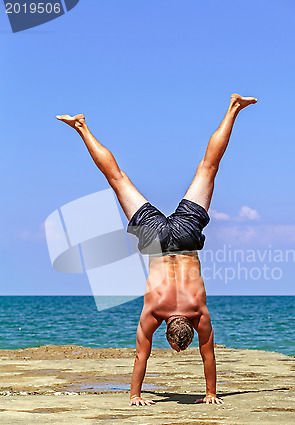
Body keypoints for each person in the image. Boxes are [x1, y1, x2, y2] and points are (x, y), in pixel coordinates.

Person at [56, 93, 257, 406]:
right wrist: (135, 395)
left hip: (187, 239)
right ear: (168, 331)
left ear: (188, 326)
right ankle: (81, 127)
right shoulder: (155, 312)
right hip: (156, 243)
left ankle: (234, 107)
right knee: (117, 179)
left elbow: (208, 354)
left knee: (208, 168)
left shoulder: (198, 313)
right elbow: (141, 354)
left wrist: (211, 393)